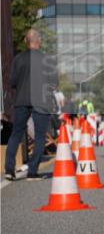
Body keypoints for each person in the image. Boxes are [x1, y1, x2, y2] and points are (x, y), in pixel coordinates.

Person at [4, 29, 58, 181]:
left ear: (25, 41)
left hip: (21, 100)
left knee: (16, 134)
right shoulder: (48, 59)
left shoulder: (18, 59)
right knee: (40, 137)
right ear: (39, 41)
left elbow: (13, 82)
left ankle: (9, 170)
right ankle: (32, 172)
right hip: (41, 101)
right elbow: (54, 84)